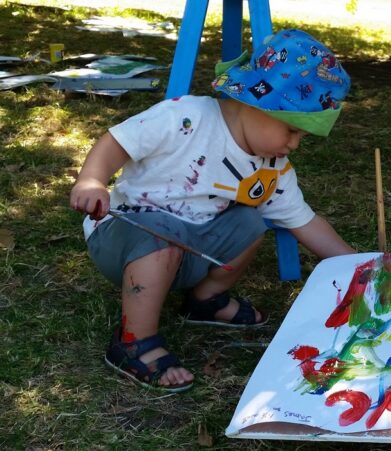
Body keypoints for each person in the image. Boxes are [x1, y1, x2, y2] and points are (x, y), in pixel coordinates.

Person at [69, 29, 355, 393]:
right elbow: (117, 141)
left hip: (192, 251)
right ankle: (133, 342)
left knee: (250, 222)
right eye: (291, 130)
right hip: (125, 238)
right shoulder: (186, 117)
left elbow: (307, 223)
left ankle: (204, 301)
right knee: (162, 234)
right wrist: (92, 181)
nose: (294, 145)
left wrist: (358, 265)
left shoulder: (274, 168)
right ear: (257, 103)